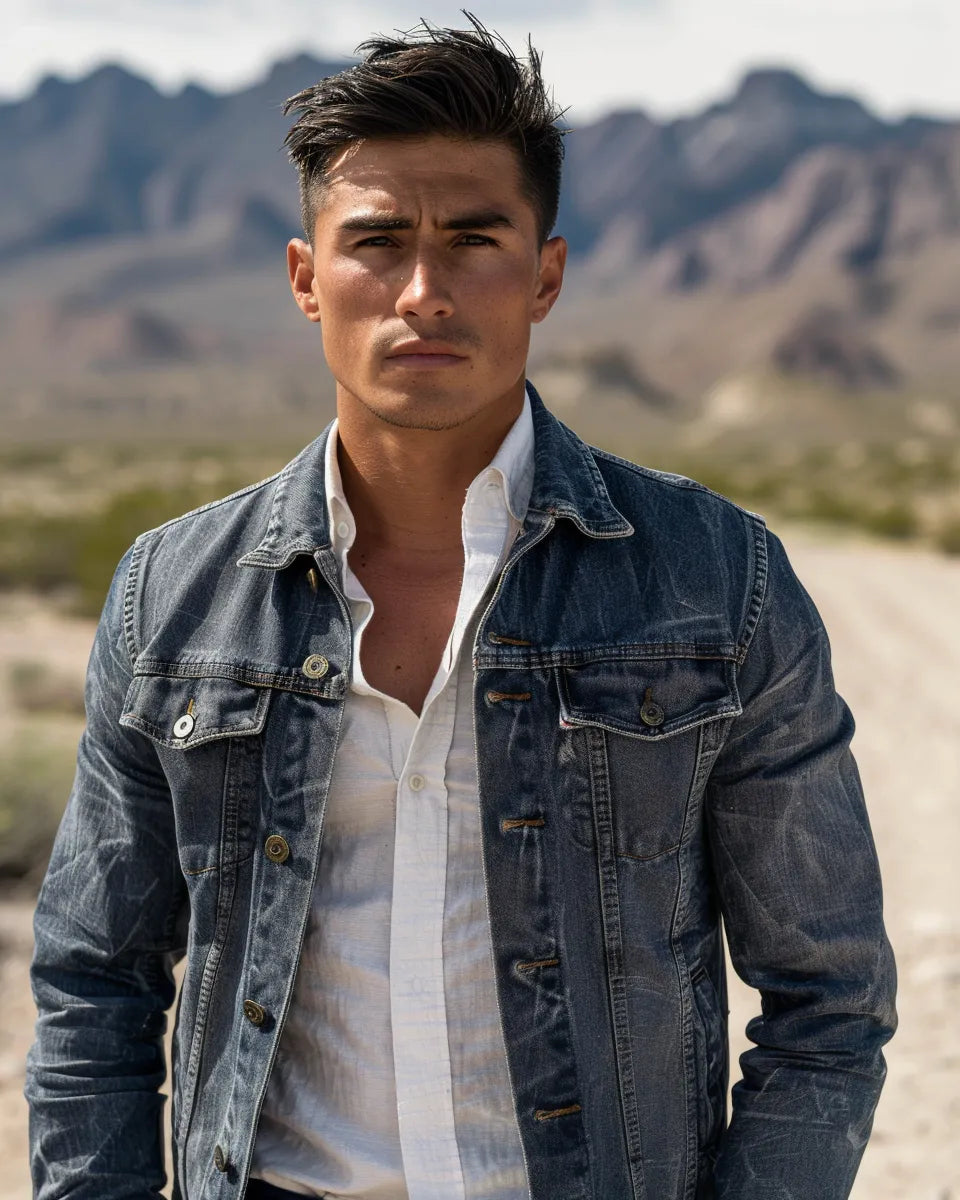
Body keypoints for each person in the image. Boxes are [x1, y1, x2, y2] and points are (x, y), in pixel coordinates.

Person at [26, 17, 896, 1200]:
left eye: (474, 240)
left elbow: (830, 1001)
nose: (423, 291)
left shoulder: (718, 582)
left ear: (546, 274)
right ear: (304, 278)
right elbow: (93, 985)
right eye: (377, 242)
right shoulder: (171, 598)